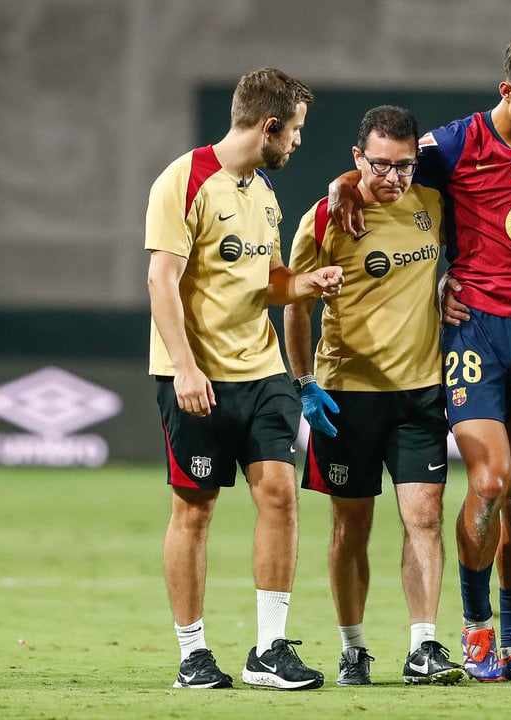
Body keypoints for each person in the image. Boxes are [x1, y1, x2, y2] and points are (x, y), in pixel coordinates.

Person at [331, 33, 511, 683]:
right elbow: (383, 169)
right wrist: (341, 185)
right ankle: (476, 634)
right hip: (477, 338)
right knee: (491, 483)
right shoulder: (454, 145)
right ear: (506, 91)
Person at [146, 67, 339, 691]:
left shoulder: (262, 192)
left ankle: (269, 650)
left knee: (281, 495)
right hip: (198, 377)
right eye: (297, 132)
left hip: (264, 371)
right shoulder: (184, 179)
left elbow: (270, 279)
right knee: (194, 510)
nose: (299, 144)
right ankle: (193, 654)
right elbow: (161, 280)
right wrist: (184, 367)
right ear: (269, 126)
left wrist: (306, 284)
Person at [284, 105, 465, 687]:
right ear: (358, 158)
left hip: (419, 393)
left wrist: (449, 291)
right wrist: (304, 381)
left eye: (405, 166)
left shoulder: (432, 205)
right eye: (381, 165)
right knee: (350, 526)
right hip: (347, 396)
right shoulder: (325, 219)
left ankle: (424, 647)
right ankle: (353, 648)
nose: (393, 178)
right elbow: (296, 304)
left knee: (426, 519)